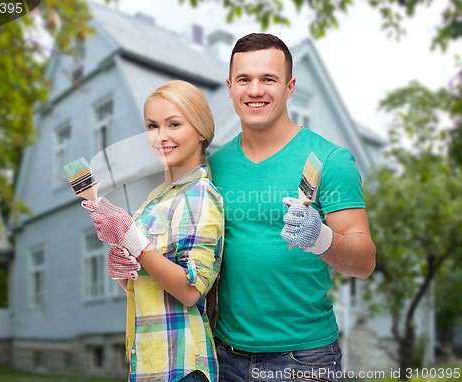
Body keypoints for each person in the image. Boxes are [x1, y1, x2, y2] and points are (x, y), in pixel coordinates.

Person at [207, 33, 376, 382]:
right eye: (244, 79)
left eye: (268, 79)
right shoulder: (213, 165)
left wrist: (321, 238)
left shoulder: (329, 160)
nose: (255, 90)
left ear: (290, 86)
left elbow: (364, 261)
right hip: (225, 356)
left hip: (304, 359)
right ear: (229, 87)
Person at [82, 80, 224, 382]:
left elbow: (190, 290)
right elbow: (145, 282)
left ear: (200, 130)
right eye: (152, 126)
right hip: (148, 362)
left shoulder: (199, 196)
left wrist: (134, 241)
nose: (161, 137)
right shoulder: (155, 199)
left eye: (174, 124)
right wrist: (121, 264)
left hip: (183, 365)